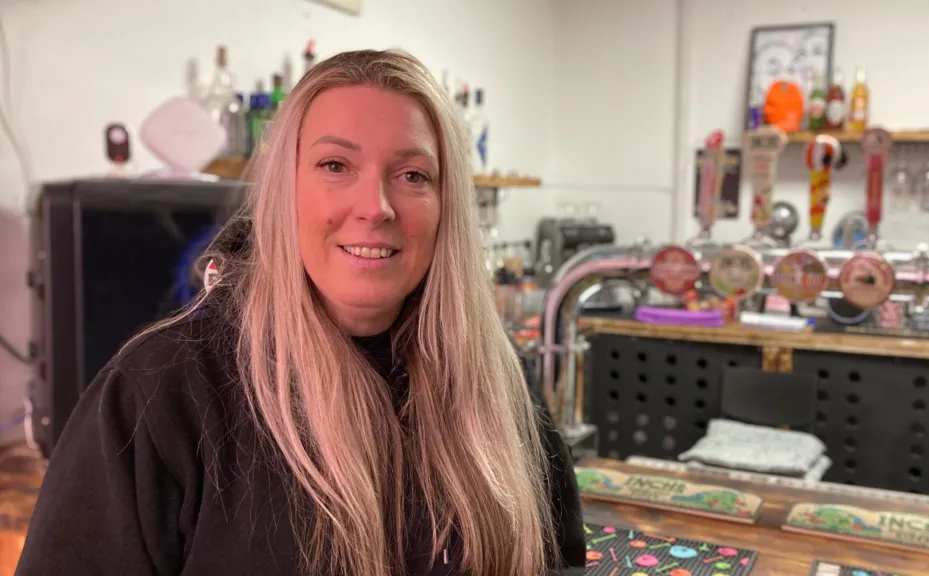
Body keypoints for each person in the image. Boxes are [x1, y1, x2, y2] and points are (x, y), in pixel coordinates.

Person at [16, 50, 586, 576]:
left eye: (413, 175)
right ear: (283, 189)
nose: (376, 207)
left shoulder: (495, 377)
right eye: (335, 165)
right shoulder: (160, 394)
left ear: (447, 207)